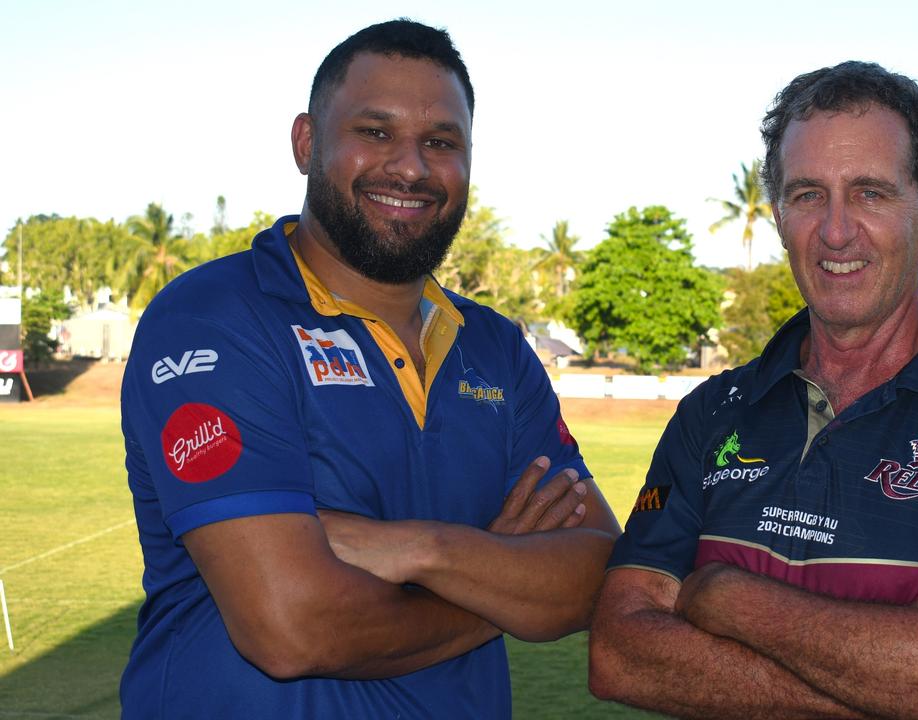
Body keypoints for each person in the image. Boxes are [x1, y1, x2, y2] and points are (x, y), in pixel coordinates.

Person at [119, 19, 619, 719]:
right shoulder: (217, 318)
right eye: (374, 132)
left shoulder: (497, 350)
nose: (411, 167)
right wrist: (503, 588)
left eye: (441, 142)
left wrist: (418, 549)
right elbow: (290, 629)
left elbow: (600, 574)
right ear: (306, 141)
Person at [589, 61, 918, 719]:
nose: (837, 230)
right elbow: (618, 654)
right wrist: (896, 684)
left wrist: (726, 598)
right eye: (808, 194)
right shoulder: (711, 413)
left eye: (871, 193)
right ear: (779, 213)